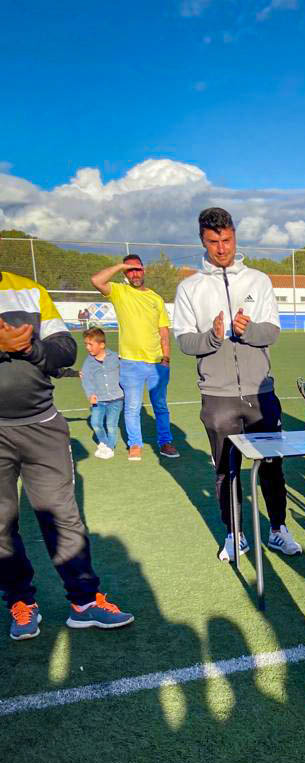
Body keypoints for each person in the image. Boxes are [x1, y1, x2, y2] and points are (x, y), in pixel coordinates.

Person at [0, 270, 134, 640]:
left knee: (63, 516)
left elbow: (64, 349)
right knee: (1, 522)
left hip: (42, 425)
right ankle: (20, 601)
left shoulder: (28, 290)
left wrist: (29, 348)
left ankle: (85, 602)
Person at [173, 207, 302, 562]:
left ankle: (278, 529)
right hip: (218, 397)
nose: (221, 248)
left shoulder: (258, 281)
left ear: (235, 237)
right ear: (203, 240)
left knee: (272, 465)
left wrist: (249, 331)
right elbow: (184, 341)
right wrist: (212, 337)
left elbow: (271, 331)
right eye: (213, 241)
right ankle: (235, 534)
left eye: (227, 240)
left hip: (261, 394)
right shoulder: (190, 287)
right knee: (225, 469)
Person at [91, 256, 178, 461]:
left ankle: (165, 442)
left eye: (137, 269)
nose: (135, 273)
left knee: (160, 406)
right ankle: (135, 445)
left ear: (143, 270)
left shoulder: (156, 298)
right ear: (125, 273)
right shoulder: (119, 292)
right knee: (132, 407)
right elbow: (96, 280)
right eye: (130, 270)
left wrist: (166, 358)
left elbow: (163, 331)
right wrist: (122, 265)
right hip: (130, 363)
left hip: (157, 364)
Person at [80, 327, 123, 459]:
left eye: (90, 344)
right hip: (98, 400)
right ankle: (104, 443)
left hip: (116, 398)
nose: (87, 347)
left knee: (111, 425)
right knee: (96, 423)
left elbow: (126, 370)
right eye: (86, 344)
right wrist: (90, 394)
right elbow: (86, 379)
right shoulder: (88, 362)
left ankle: (110, 447)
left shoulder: (115, 357)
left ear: (102, 345)